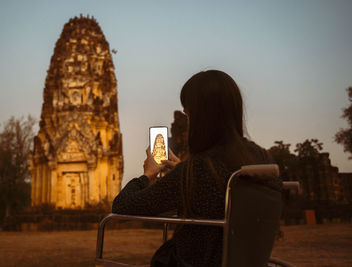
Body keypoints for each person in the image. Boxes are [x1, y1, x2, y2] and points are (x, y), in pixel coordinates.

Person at [112, 70, 281, 267]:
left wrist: (147, 175)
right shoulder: (262, 159)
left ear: (200, 117)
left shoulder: (197, 171)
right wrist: (182, 169)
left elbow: (123, 207)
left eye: (189, 114)